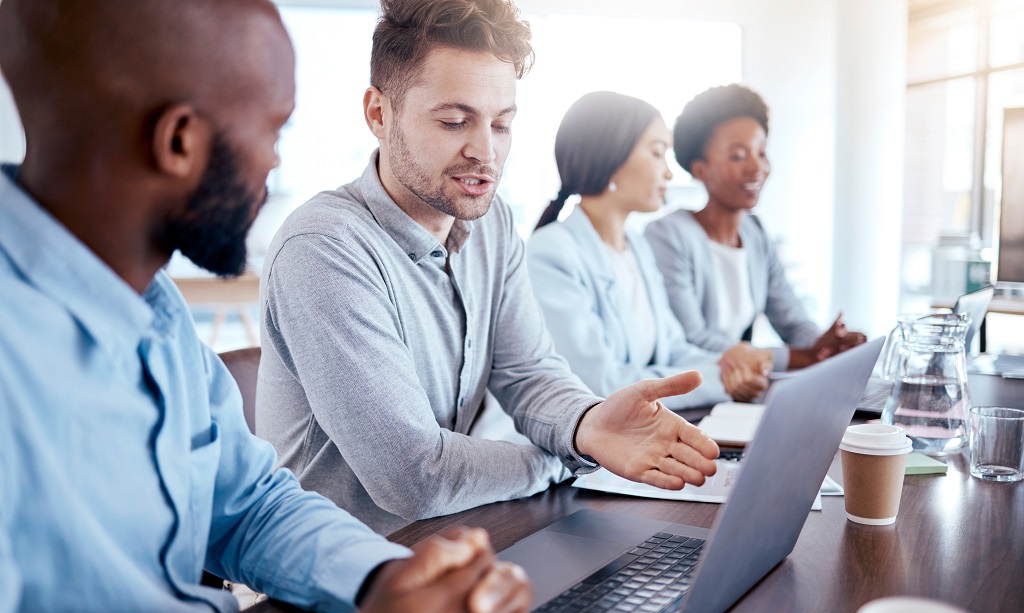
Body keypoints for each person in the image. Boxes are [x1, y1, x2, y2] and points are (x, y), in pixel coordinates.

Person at [0, 1, 534, 613]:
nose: (276, 162)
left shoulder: (150, 304)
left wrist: (395, 583)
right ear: (179, 142)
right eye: (273, 129)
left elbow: (248, 507)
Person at [257, 0, 720, 536]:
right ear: (378, 114)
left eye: (502, 125)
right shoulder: (325, 249)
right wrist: (566, 454)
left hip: (446, 540)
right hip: (330, 576)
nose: (486, 152)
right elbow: (414, 476)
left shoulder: (491, 222)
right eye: (455, 121)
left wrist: (589, 425)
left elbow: (527, 372)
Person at [528, 91, 772, 410]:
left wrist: (730, 366)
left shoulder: (637, 247)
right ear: (611, 157)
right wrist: (721, 381)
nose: (669, 173)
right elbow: (600, 384)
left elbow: (673, 349)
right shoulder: (551, 253)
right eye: (658, 153)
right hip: (556, 454)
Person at [645, 84, 866, 371]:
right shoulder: (668, 235)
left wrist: (824, 346)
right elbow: (692, 339)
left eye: (761, 152)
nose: (756, 167)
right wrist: (796, 358)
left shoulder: (754, 233)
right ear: (700, 170)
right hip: (696, 389)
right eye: (738, 156)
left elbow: (792, 321)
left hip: (744, 386)